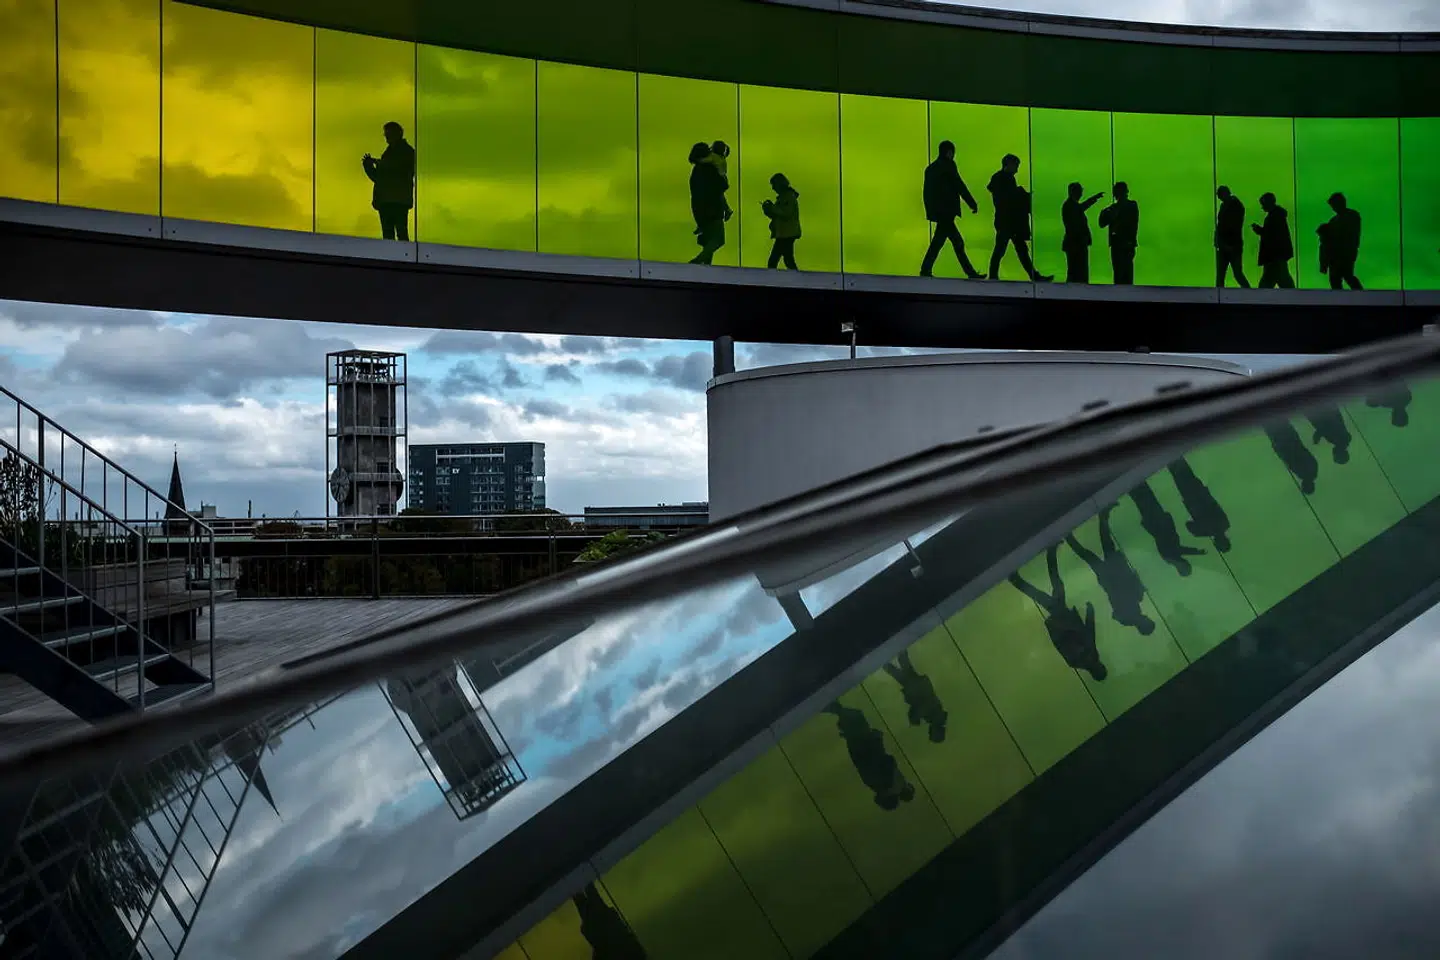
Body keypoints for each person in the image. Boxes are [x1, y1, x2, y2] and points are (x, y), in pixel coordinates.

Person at [1009, 545, 1107, 682]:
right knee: (1049, 591)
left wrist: (1089, 613)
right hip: (1062, 621)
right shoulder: (1082, 660)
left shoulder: (1085, 658)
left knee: (1053, 588)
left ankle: (1046, 556)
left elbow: (1088, 632)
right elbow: (1087, 633)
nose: (1100, 665)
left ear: (1097, 670)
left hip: (1063, 620)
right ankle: (1017, 578)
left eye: (1100, 668)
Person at [920, 140, 983, 279]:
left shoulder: (931, 168)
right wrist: (972, 203)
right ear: (948, 152)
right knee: (956, 242)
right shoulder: (948, 166)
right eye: (952, 152)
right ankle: (970, 273)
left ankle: (926, 270)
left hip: (939, 212)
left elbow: (926, 193)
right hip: (947, 212)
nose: (953, 155)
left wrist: (930, 211)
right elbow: (959, 185)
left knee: (942, 242)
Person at [986, 154, 1052, 282]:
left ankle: (1033, 275)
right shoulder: (1002, 179)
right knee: (1004, 249)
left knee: (1016, 250)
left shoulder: (1003, 179)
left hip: (1009, 221)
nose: (1017, 169)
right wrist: (1021, 194)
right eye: (1016, 165)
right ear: (1008, 164)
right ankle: (995, 276)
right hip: (1007, 221)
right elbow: (1005, 200)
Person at [362, 121, 415, 241]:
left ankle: (402, 258)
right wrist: (368, 167)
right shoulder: (389, 154)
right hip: (386, 200)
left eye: (388, 135)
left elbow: (397, 168)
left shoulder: (407, 152)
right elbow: (379, 178)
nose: (387, 138)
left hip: (398, 200)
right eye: (386, 135)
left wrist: (377, 163)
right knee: (388, 235)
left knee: (400, 233)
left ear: (397, 134)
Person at [688, 142, 728, 265]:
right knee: (718, 239)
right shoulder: (709, 169)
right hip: (713, 209)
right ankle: (698, 260)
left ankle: (705, 266)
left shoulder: (696, 170)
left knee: (708, 240)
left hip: (699, 209)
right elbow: (722, 187)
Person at [1317, 192, 1363, 290]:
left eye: (1334, 205)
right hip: (1337, 256)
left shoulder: (1350, 216)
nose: (1333, 208)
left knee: (1346, 277)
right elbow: (1326, 242)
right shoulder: (1335, 220)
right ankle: (1357, 298)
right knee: (1338, 279)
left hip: (1345, 254)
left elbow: (1351, 236)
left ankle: (1359, 298)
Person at [1061, 182, 1105, 284]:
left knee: (1076, 273)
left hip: (1076, 244)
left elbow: (1082, 207)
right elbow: (1076, 224)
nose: (1081, 193)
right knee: (1077, 273)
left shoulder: (1071, 205)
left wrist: (1094, 198)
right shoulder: (1070, 206)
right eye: (1080, 191)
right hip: (1076, 245)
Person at [1098, 182, 1140, 285]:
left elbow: (1132, 223)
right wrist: (1105, 212)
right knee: (1121, 275)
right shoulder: (1114, 208)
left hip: (1125, 244)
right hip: (1120, 245)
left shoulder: (1130, 206)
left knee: (1124, 275)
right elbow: (1102, 223)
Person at [1251, 192, 1295, 289]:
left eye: (1263, 204)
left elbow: (1272, 235)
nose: (1262, 207)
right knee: (1283, 280)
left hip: (1274, 256)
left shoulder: (1274, 216)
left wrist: (1260, 231)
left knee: (1268, 283)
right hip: (1277, 256)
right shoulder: (1277, 215)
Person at [762, 173, 801, 270]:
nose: (773, 188)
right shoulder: (784, 197)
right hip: (785, 233)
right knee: (788, 259)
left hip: (786, 234)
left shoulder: (788, 197)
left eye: (773, 185)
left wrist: (772, 208)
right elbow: (778, 215)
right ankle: (796, 278)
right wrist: (767, 210)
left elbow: (786, 213)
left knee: (774, 260)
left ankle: (772, 280)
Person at [1214, 186, 1250, 288]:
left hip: (1232, 245)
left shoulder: (1235, 205)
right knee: (1225, 274)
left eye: (1220, 195)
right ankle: (1249, 293)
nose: (1219, 197)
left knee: (1235, 273)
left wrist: (1223, 241)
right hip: (1227, 244)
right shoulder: (1227, 205)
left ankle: (1249, 293)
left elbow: (1231, 225)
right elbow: (1221, 224)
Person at [697, 140, 733, 226]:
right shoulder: (722, 157)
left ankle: (727, 209)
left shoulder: (714, 157)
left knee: (719, 196)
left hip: (718, 180)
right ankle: (727, 209)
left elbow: (704, 160)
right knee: (721, 196)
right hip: (723, 179)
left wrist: (698, 159)